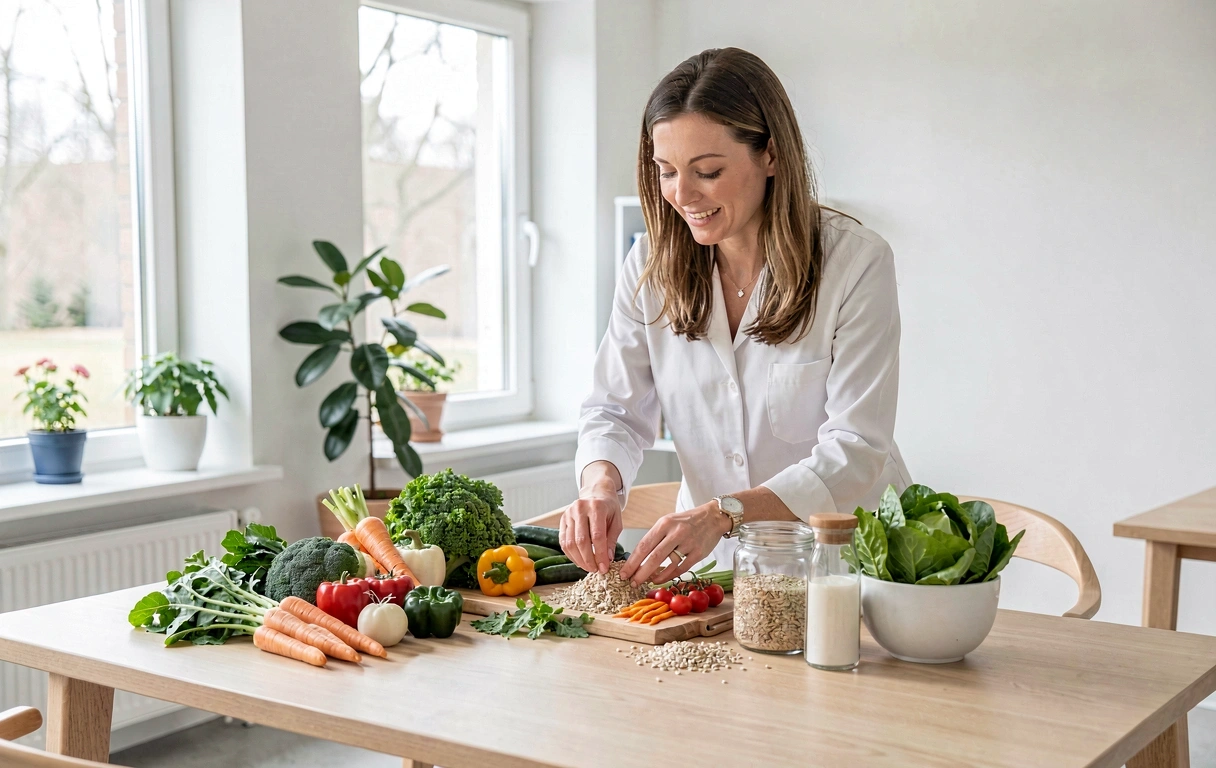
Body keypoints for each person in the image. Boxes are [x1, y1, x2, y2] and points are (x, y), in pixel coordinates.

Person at [561, 47, 911, 587]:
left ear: (770, 154)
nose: (682, 195)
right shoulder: (649, 265)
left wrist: (726, 512)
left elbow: (857, 447)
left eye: (708, 171)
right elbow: (614, 409)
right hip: (712, 572)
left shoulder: (856, 263)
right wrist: (599, 487)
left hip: (844, 566)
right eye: (666, 171)